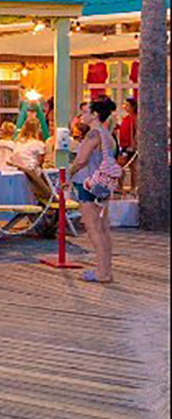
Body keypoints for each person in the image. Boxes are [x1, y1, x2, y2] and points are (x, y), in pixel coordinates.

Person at [70, 97, 120, 283]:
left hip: (88, 183)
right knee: (103, 229)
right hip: (104, 185)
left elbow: (81, 160)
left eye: (85, 112)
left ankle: (101, 272)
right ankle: (106, 270)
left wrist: (68, 173)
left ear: (95, 115)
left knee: (93, 229)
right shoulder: (108, 135)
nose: (82, 115)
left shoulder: (93, 134)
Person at [116, 97, 137, 192]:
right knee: (120, 165)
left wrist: (133, 145)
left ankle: (134, 187)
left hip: (130, 146)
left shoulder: (135, 118)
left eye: (127, 105)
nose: (125, 107)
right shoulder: (127, 118)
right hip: (124, 146)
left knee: (133, 167)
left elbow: (136, 132)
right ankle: (120, 186)